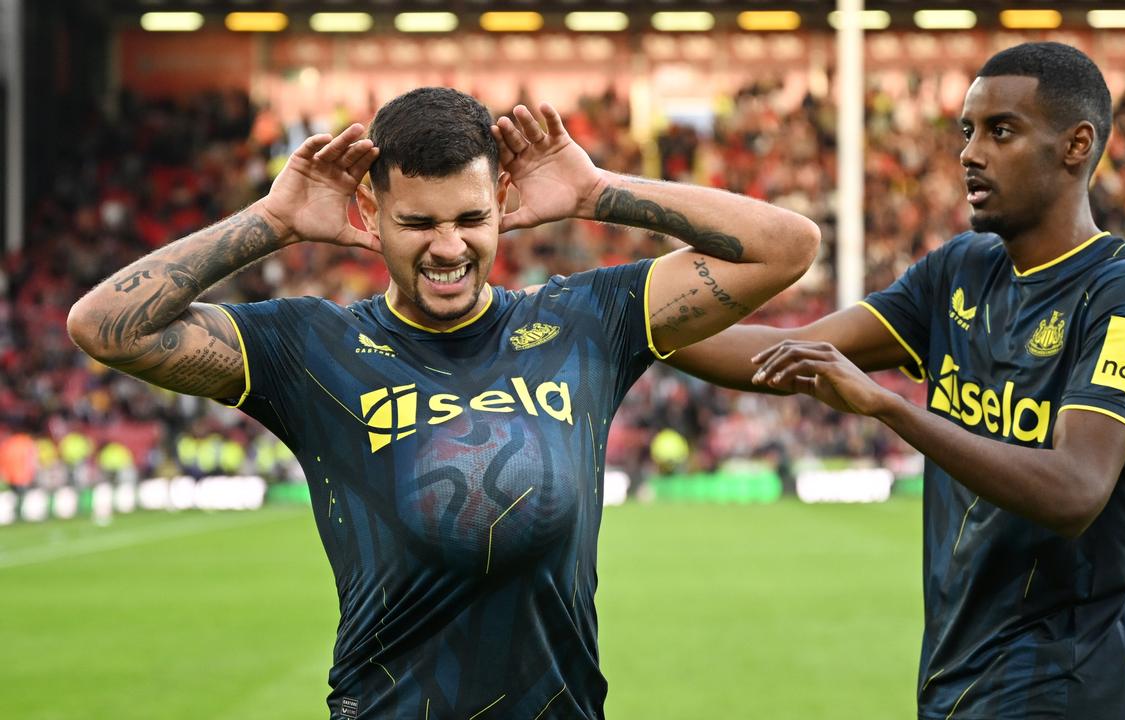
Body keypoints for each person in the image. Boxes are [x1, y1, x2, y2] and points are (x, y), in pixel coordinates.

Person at [67, 87, 819, 718]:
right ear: (371, 210)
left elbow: (786, 247)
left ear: (502, 202)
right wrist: (270, 223)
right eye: (418, 223)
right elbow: (103, 327)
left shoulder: (588, 321)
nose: (449, 247)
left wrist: (597, 193)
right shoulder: (310, 348)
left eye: (470, 219)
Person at [667, 42, 1125, 718]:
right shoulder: (958, 273)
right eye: (967, 132)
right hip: (954, 683)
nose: (970, 153)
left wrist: (890, 407)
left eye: (1001, 131)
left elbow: (1076, 490)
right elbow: (788, 352)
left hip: (1061, 690)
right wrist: (627, 322)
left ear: (1076, 145)